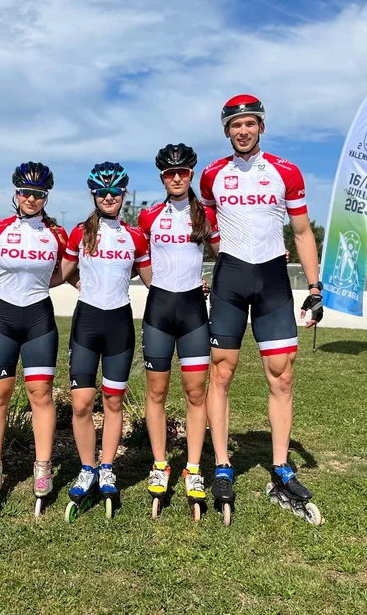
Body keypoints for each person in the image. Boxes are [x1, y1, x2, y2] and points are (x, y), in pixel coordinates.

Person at [199, 94, 324, 524]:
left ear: (261, 127)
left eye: (250, 123)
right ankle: (221, 465)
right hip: (230, 280)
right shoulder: (211, 175)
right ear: (226, 131)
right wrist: (211, 263)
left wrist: (315, 286)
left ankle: (281, 468)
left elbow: (302, 232)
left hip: (272, 281)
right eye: (236, 125)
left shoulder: (286, 172)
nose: (243, 131)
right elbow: (206, 228)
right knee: (221, 372)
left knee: (282, 375)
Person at [61, 162, 152, 519]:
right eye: (102, 191)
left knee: (113, 401)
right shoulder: (79, 233)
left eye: (115, 191)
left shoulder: (135, 237)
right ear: (94, 194)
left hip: (119, 325)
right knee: (82, 403)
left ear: (123, 194)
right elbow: (62, 273)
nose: (109, 197)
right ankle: (87, 468)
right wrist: (81, 285)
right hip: (86, 323)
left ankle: (108, 467)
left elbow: (152, 279)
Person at [0, 162, 68, 516]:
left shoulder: (57, 234)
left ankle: (42, 468)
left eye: (39, 194)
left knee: (41, 394)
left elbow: (66, 271)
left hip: (38, 318)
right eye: (26, 192)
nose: (31, 199)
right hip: (1, 316)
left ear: (47, 197)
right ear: (16, 193)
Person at [138, 144, 220, 519]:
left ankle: (193, 468)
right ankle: (160, 464)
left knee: (196, 392)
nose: (176, 178)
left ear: (191, 174)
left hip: (193, 313)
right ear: (162, 177)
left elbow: (226, 254)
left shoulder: (205, 215)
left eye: (182, 172)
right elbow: (137, 259)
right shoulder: (148, 216)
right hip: (159, 309)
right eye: (169, 173)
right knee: (156, 391)